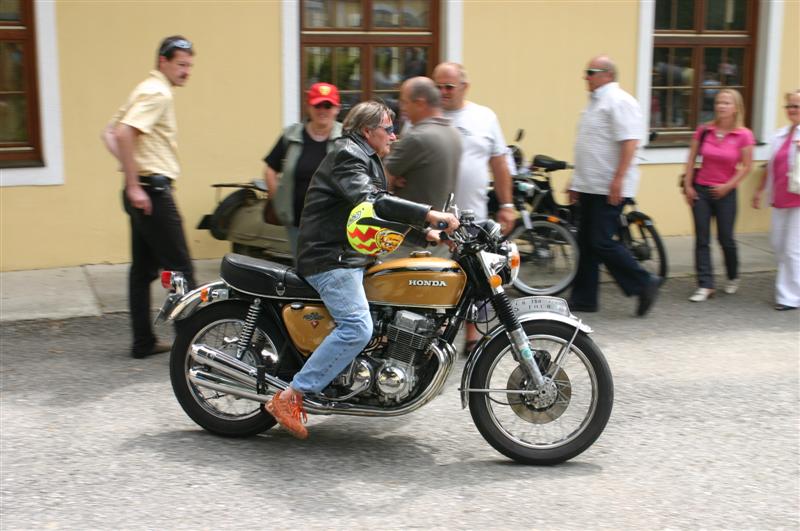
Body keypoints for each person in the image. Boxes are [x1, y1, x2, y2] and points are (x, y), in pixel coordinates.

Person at [265, 101, 459, 439]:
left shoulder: (365, 157)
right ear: (367, 131)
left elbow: (377, 216)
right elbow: (374, 203)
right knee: (357, 327)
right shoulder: (348, 156)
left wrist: (426, 235)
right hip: (330, 258)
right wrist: (427, 214)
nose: (395, 136)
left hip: (350, 255)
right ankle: (290, 396)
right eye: (388, 128)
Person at [102, 36, 197, 358]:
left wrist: (132, 173)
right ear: (163, 61)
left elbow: (109, 133)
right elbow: (125, 133)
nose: (186, 71)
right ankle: (190, 347)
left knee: (142, 272)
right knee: (182, 269)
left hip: (144, 191)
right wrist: (134, 181)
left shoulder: (145, 88)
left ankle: (143, 342)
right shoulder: (157, 92)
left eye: (189, 65)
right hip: (152, 193)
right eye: (181, 64)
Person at [567, 55, 660, 316]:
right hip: (590, 184)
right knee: (586, 242)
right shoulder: (594, 104)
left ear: (607, 74)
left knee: (601, 241)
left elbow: (630, 142)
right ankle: (585, 298)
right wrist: (576, 181)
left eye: (591, 71)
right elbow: (588, 146)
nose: (586, 76)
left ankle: (644, 283)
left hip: (609, 186)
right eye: (586, 71)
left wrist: (619, 179)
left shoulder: (620, 101)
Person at [432, 62, 515, 351]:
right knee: (436, 276)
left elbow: (500, 164)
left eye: (448, 87)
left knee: (478, 277)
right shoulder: (428, 115)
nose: (442, 92)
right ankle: (435, 334)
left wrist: (506, 203)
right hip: (434, 216)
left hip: (473, 214)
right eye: (437, 86)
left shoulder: (484, 117)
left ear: (464, 87)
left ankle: (472, 335)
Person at [682, 89, 754, 302]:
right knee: (702, 238)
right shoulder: (704, 131)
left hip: (726, 192)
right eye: (718, 102)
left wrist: (727, 186)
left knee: (726, 238)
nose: (721, 106)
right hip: (701, 190)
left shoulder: (743, 135)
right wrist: (688, 185)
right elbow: (692, 159)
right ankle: (705, 284)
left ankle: (732, 276)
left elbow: (747, 167)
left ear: (736, 108)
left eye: (726, 103)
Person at [263, 82, 343, 258]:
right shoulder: (291, 135)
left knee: (330, 269)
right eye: (317, 105)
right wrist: (278, 200)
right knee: (303, 267)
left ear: (337, 109)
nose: (322, 110)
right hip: (297, 221)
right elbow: (270, 169)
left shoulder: (346, 137)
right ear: (308, 107)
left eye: (328, 105)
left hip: (334, 221)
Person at [385, 76, 462, 257]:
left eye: (404, 102)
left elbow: (380, 183)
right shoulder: (453, 133)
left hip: (407, 245)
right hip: (440, 241)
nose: (401, 108)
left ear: (420, 103)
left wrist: (393, 181)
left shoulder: (418, 137)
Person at [751, 90, 800, 311]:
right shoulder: (780, 134)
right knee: (778, 245)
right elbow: (771, 167)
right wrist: (760, 190)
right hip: (781, 197)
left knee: (792, 249)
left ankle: (789, 297)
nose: (792, 110)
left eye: (796, 106)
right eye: (789, 106)